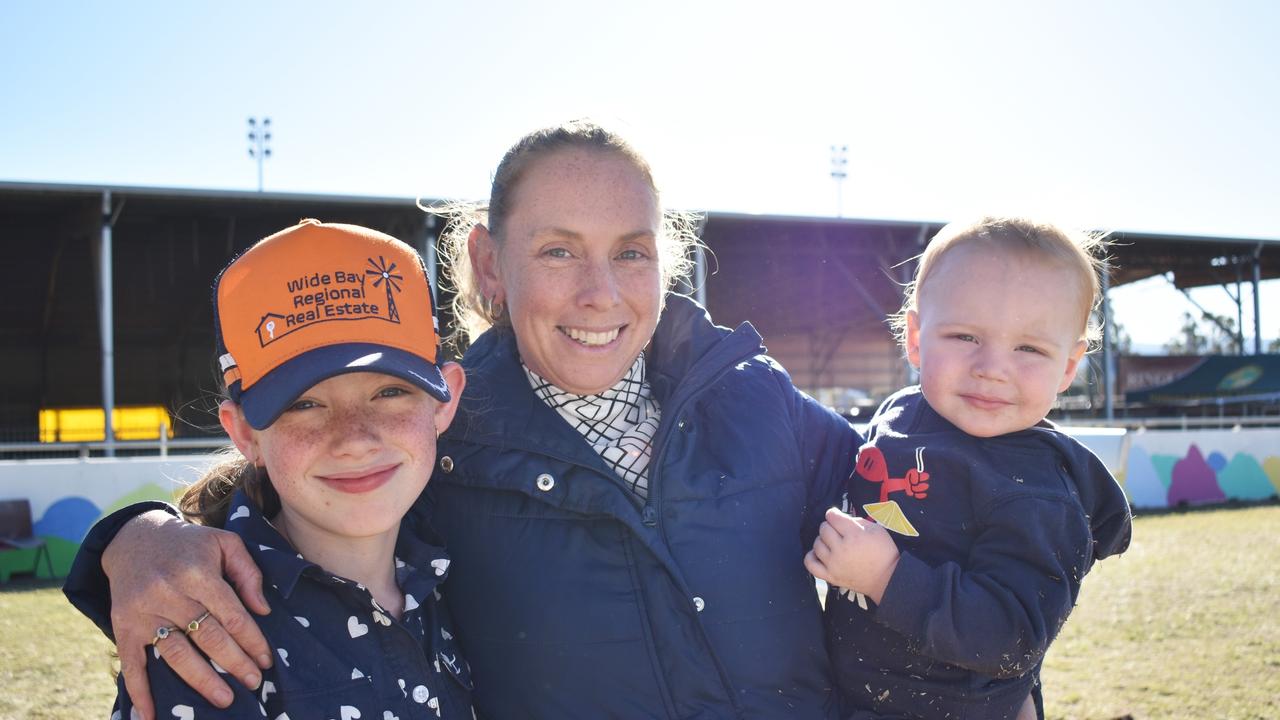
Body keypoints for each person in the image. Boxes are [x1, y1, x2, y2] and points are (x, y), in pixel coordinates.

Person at [65, 121, 861, 719]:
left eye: (631, 251)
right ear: (489, 263)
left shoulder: (754, 394)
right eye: (557, 251)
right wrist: (133, 541)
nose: (600, 293)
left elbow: (913, 494)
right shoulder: (443, 444)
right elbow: (293, 497)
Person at [105, 219, 473, 719]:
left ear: (443, 402)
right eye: (304, 405)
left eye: (390, 392)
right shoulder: (205, 636)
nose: (355, 440)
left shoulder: (467, 569)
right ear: (244, 434)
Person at [804, 216, 1133, 720]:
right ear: (916, 337)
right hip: (850, 694)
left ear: (1068, 366)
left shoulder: (1040, 495)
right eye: (964, 336)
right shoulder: (899, 414)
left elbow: (1013, 638)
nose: (992, 367)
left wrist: (886, 576)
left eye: (1029, 348)